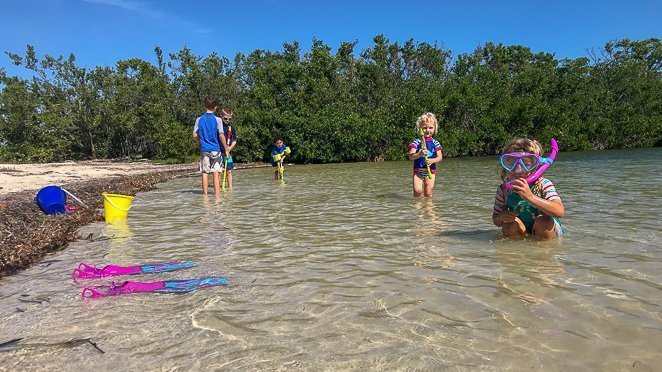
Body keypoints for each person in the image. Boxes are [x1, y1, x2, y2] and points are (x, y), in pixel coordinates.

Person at [492, 138, 565, 239]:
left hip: (546, 230)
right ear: (505, 166)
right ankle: (518, 252)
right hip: (523, 229)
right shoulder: (503, 190)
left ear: (537, 166)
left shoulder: (543, 184)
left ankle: (546, 253)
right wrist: (501, 217)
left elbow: (559, 211)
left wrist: (530, 196)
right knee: (508, 225)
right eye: (511, 163)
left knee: (543, 222)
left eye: (526, 164)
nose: (518, 170)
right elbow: (495, 219)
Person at [192, 97, 229, 197]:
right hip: (215, 149)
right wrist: (226, 149)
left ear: (205, 106)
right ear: (215, 107)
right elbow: (221, 135)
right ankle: (217, 196)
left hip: (204, 149)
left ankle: (205, 197)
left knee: (205, 173)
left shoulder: (198, 120)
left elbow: (194, 135)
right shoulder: (218, 120)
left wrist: (199, 142)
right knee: (215, 173)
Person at [407, 112, 443, 197]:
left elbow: (440, 157)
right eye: (424, 128)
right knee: (417, 191)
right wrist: (419, 154)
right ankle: (417, 208)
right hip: (418, 171)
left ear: (435, 128)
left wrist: (432, 160)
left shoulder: (435, 143)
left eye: (431, 128)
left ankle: (428, 208)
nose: (428, 130)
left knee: (428, 192)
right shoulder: (417, 142)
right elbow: (411, 156)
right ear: (420, 128)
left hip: (431, 171)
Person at [220, 107, 237, 188]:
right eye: (226, 118)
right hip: (219, 152)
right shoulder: (218, 126)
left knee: (229, 171)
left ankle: (230, 187)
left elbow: (234, 140)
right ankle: (218, 186)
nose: (227, 120)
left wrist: (230, 148)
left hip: (228, 152)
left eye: (230, 119)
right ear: (221, 116)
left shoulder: (231, 128)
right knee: (218, 171)